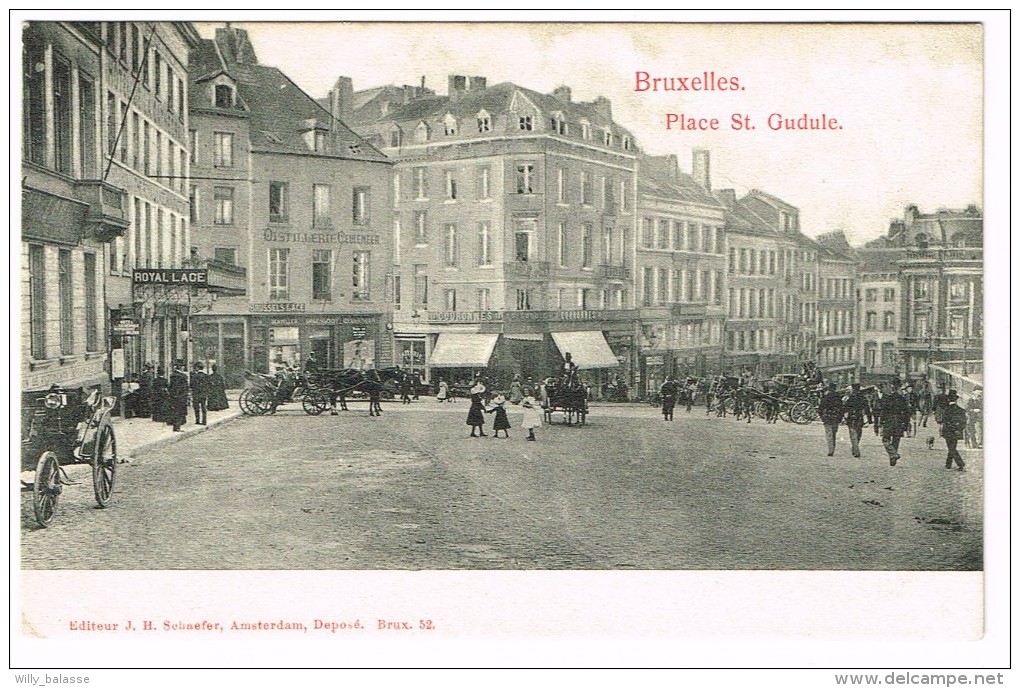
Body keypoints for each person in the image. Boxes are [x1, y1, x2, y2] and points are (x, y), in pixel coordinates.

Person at [877, 380, 913, 466]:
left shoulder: (888, 398)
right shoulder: (902, 399)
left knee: (885, 439)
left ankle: (893, 454)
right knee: (896, 440)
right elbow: (906, 412)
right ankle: (893, 459)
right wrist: (906, 423)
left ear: (893, 387)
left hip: (889, 421)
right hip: (899, 421)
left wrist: (881, 421)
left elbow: (884, 411)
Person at [941, 390, 968, 471]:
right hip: (957, 432)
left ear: (948, 399)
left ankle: (960, 464)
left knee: (951, 448)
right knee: (952, 447)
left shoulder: (946, 410)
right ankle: (948, 464)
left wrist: (952, 429)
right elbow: (964, 422)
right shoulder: (961, 410)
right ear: (956, 400)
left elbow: (946, 421)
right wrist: (958, 429)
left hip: (948, 431)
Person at [818, 382, 845, 457]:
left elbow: (821, 407)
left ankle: (831, 449)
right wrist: (840, 417)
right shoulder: (838, 397)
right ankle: (832, 448)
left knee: (829, 434)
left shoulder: (826, 397)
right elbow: (841, 408)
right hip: (836, 418)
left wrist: (821, 416)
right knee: (833, 434)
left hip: (827, 417)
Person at [843, 382, 868, 458]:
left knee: (853, 435)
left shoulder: (851, 398)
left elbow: (845, 408)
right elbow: (867, 409)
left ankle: (855, 448)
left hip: (851, 418)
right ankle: (855, 449)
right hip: (859, 418)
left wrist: (843, 416)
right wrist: (869, 419)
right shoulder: (862, 398)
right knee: (858, 434)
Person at [167, 360, 190, 432]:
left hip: (175, 396)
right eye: (182, 366)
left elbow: (171, 387)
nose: (183, 368)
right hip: (181, 396)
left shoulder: (173, 375)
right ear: (179, 367)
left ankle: (176, 426)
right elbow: (182, 387)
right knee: (179, 412)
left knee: (176, 411)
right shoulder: (181, 376)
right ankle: (177, 427)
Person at [190, 361, 210, 425]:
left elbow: (191, 385)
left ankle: (197, 420)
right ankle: (204, 421)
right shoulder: (206, 376)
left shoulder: (194, 376)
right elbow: (208, 385)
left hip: (196, 394)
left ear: (197, 368)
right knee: (203, 407)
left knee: (196, 407)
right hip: (203, 394)